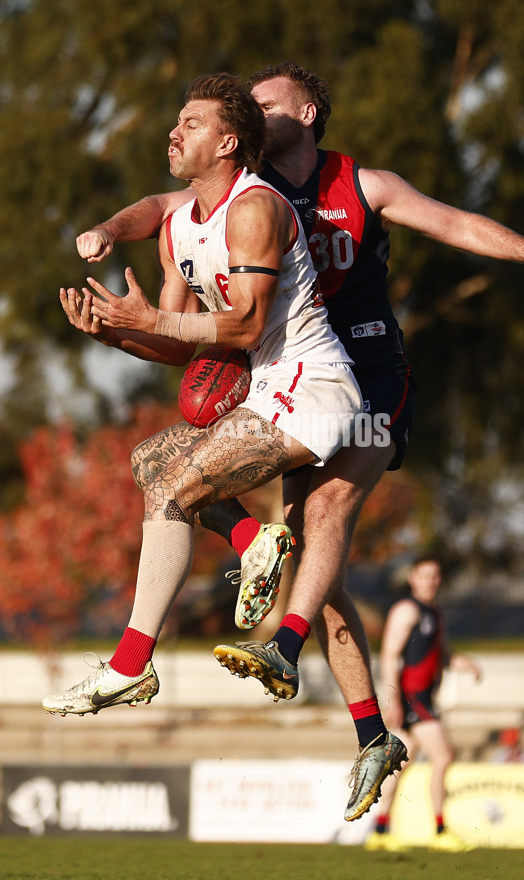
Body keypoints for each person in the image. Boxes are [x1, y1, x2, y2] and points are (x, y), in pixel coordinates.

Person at [73, 62, 524, 822]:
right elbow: (166, 223)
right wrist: (122, 306)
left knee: (322, 521)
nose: (255, 108)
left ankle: (280, 643)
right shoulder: (241, 194)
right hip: (287, 378)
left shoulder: (362, 184)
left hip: (369, 376)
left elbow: (453, 221)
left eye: (269, 101)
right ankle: (374, 735)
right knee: (290, 547)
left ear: (308, 112)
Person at [42, 71, 385, 803]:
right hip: (270, 390)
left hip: (315, 389)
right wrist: (116, 335)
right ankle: (249, 545)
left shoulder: (255, 208)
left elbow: (248, 326)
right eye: (175, 121)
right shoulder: (178, 227)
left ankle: (132, 662)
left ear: (229, 142)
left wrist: (151, 323)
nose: (174, 132)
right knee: (151, 459)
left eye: (190, 123)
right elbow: (179, 345)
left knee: (176, 486)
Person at [364, 557, 481, 853]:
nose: (430, 581)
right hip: (413, 699)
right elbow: (390, 655)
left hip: (424, 698)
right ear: (413, 579)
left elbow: (441, 654)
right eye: (424, 576)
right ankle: (440, 831)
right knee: (443, 756)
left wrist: (462, 663)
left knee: (398, 765)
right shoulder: (407, 610)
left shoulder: (435, 613)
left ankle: (379, 830)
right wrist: (393, 700)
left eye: (435, 576)